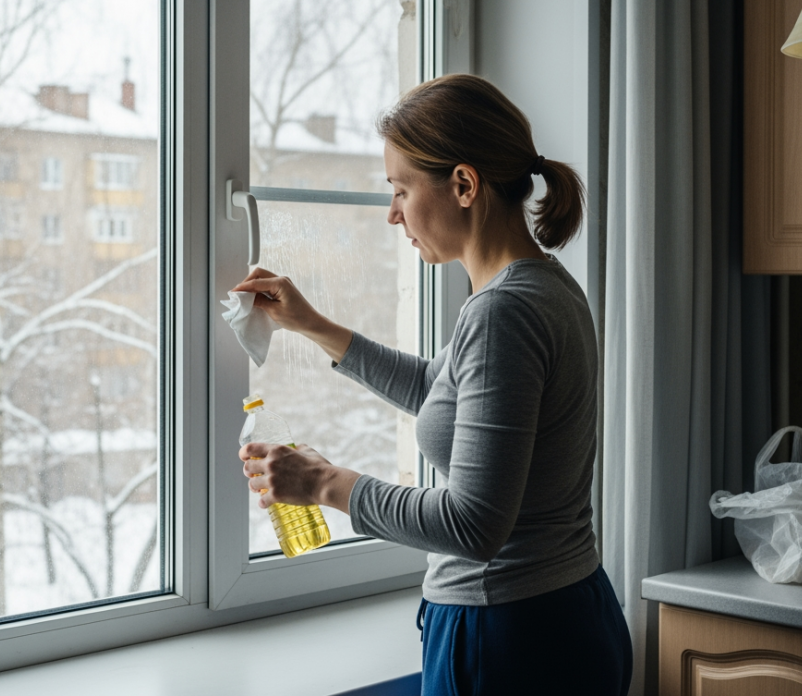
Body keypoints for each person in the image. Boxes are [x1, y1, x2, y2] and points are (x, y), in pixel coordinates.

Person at [234, 73, 632, 696]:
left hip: (509, 639)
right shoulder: (542, 286)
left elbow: (474, 526)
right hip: (564, 615)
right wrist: (311, 325)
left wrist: (322, 483)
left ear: (464, 185)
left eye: (400, 190)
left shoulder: (502, 312)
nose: (393, 214)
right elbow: (448, 396)